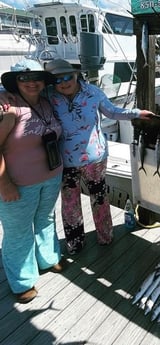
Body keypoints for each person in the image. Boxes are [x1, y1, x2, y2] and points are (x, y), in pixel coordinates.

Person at [43, 59, 154, 255]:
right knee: (70, 203)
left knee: (100, 198)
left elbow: (112, 112)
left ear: (76, 74)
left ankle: (105, 236)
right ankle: (75, 242)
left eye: (67, 77)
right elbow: (23, 93)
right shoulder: (48, 94)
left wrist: (137, 113)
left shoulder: (93, 92)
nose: (63, 83)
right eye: (56, 80)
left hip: (96, 158)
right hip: (66, 161)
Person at [0, 59, 64, 304]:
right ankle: (23, 281)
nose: (32, 82)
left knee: (46, 219)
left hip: (51, 176)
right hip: (18, 183)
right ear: (15, 82)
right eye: (24, 78)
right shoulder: (8, 108)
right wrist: (4, 183)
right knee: (18, 232)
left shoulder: (47, 102)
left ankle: (48, 258)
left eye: (36, 77)